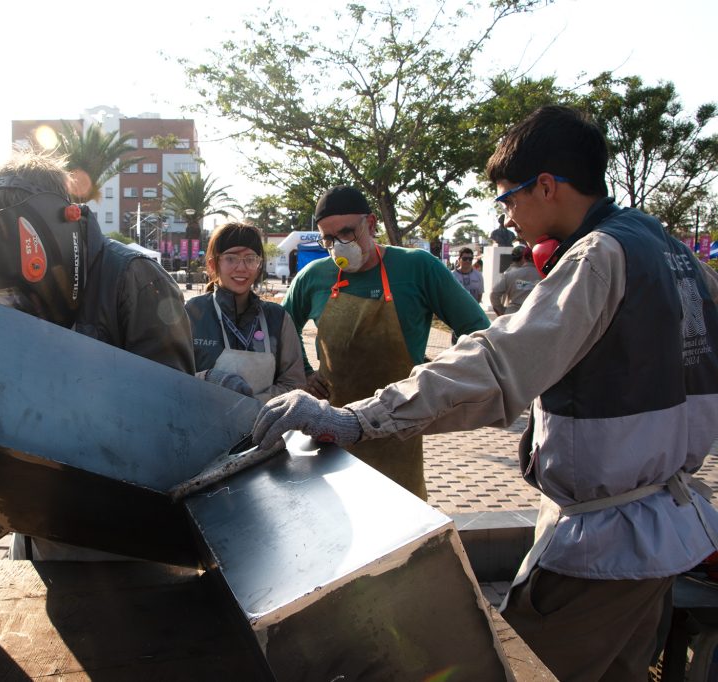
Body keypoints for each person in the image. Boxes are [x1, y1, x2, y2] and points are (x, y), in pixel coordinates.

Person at [251, 105, 718, 681]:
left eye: (509, 199)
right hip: (666, 525)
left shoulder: (598, 256)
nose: (508, 216)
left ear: (546, 186)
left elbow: (494, 361)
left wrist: (358, 419)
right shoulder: (671, 251)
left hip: (606, 541)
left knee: (521, 668)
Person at [0, 150, 195, 560]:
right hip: (35, 522)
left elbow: (172, 419)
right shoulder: (4, 281)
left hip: (125, 531)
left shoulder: (133, 278)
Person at [280, 186, 489, 498]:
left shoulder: (417, 267)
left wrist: (438, 383)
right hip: (332, 428)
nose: (339, 245)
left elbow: (477, 330)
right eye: (329, 238)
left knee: (401, 521)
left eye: (348, 233)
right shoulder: (313, 277)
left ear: (372, 224)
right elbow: (282, 332)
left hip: (398, 427)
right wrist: (306, 373)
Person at [185, 222, 306, 401]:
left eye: (250, 259)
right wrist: (207, 378)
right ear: (213, 264)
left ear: (259, 265)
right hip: (199, 422)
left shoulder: (278, 318)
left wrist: (250, 405)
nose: (241, 268)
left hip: (262, 424)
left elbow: (294, 384)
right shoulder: (192, 312)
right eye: (231, 258)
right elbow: (172, 375)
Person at [490, 245, 541, 316]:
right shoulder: (544, 276)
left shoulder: (509, 274)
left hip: (512, 315)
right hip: (536, 315)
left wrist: (501, 311)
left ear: (524, 257)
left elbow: (494, 294)